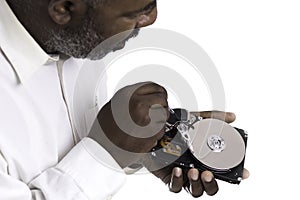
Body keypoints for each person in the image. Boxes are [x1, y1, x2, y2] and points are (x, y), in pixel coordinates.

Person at [0, 0, 249, 199]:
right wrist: (107, 154)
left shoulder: (78, 38)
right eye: (134, 15)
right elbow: (99, 152)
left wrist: (144, 146)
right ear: (63, 9)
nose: (152, 18)